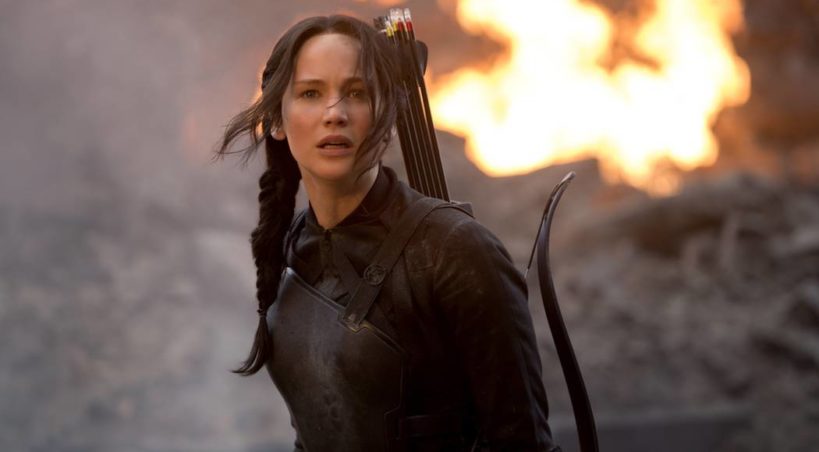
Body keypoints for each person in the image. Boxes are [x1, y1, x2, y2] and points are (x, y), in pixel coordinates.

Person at [216, 14, 561, 452]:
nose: (335, 113)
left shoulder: (455, 250)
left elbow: (522, 443)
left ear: (388, 114)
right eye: (310, 93)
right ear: (278, 121)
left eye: (357, 93)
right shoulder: (291, 246)